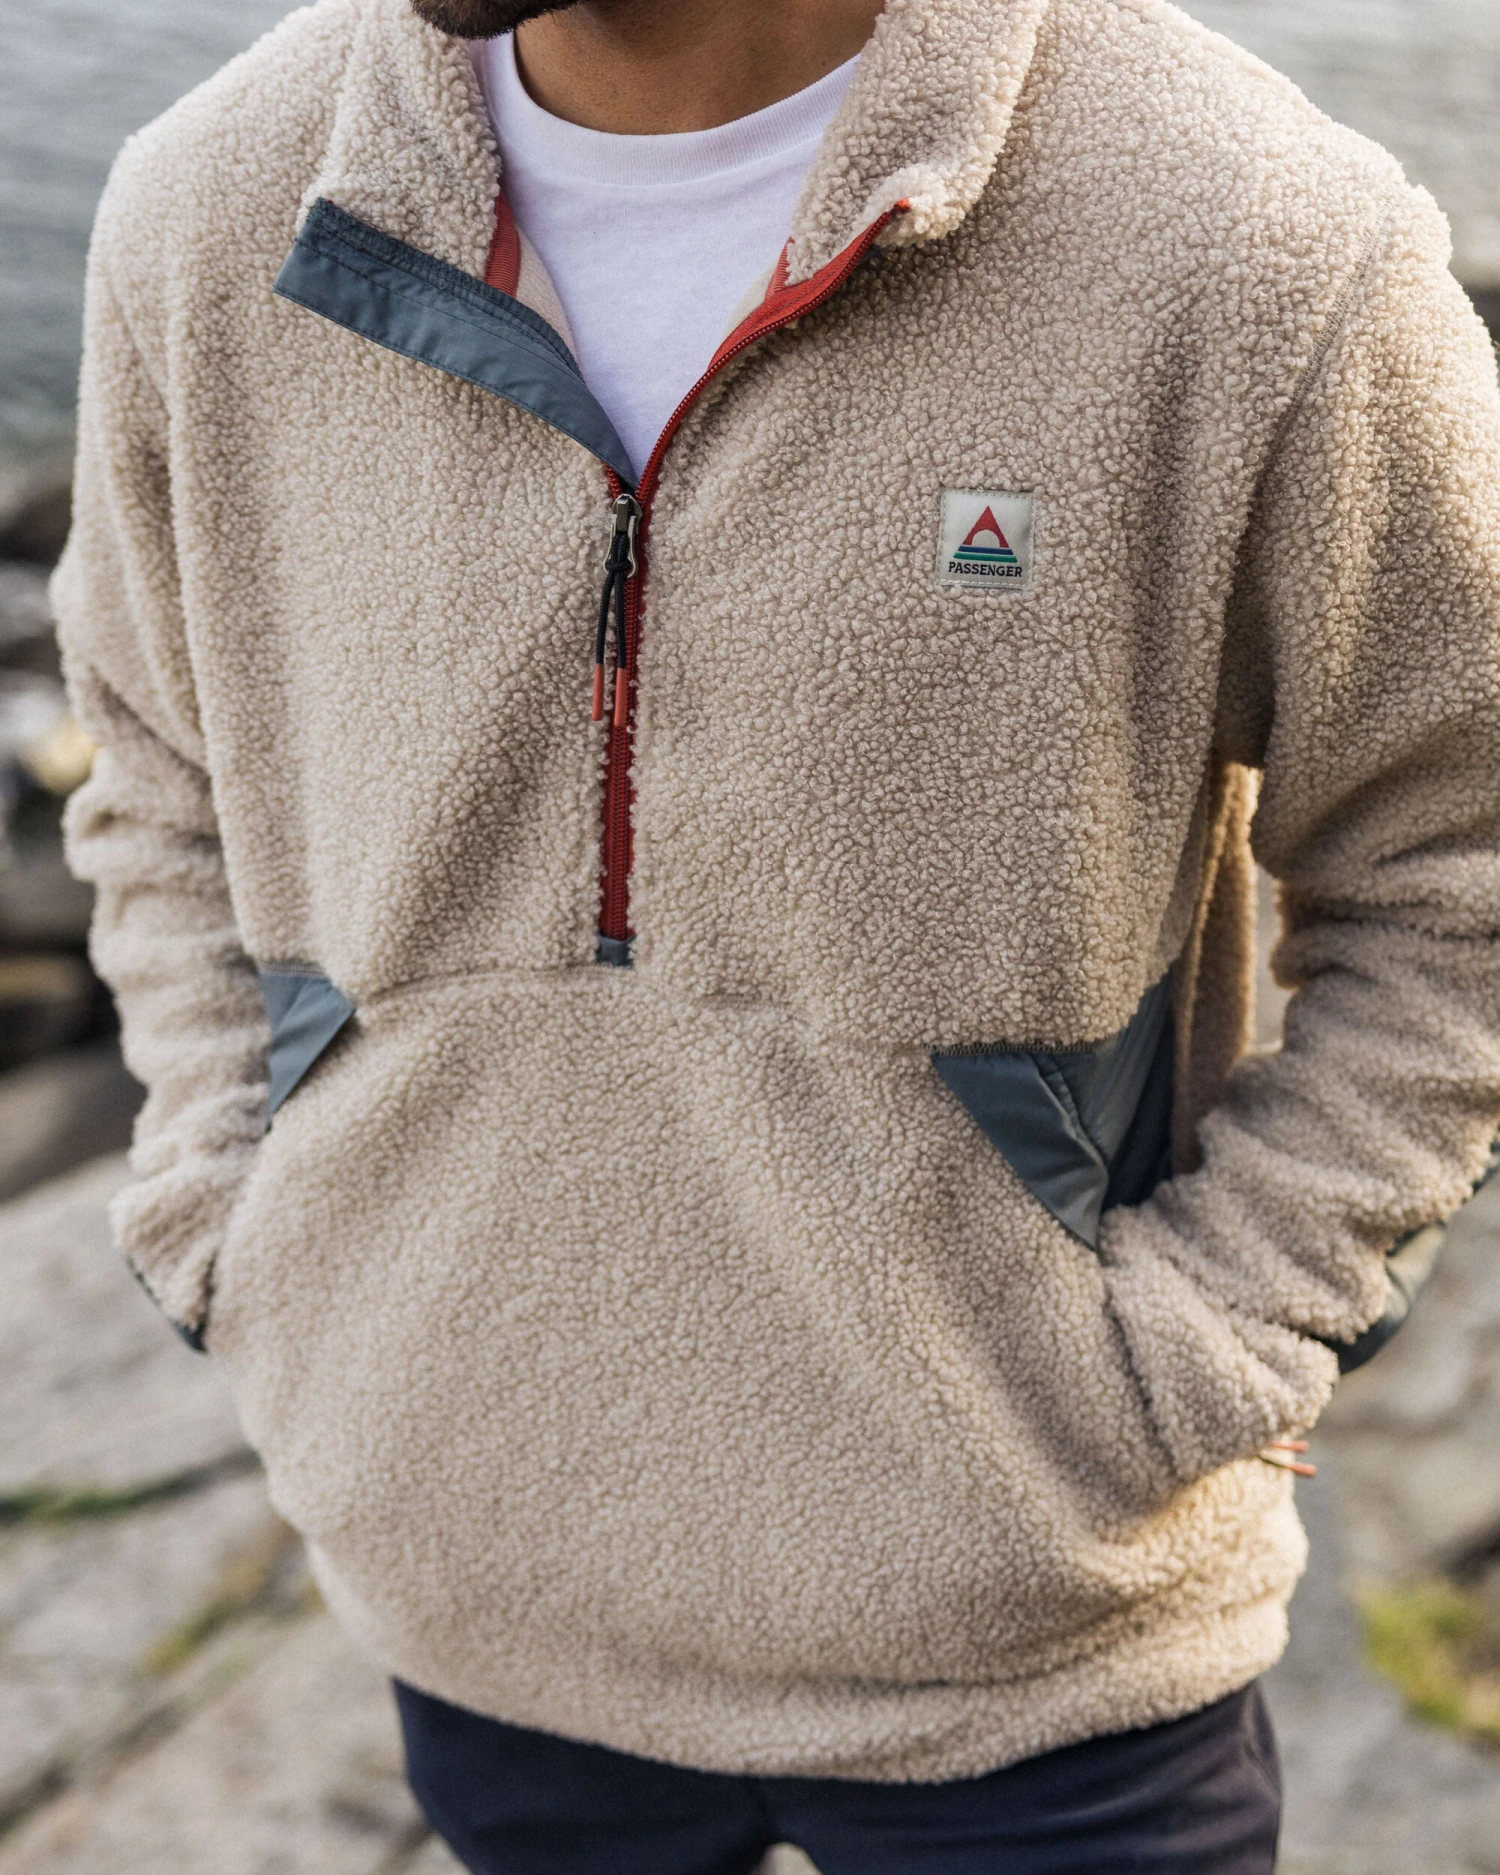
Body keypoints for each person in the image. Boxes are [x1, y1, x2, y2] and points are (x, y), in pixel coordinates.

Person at [55, 0, 1500, 1867]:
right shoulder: (209, 209)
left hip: (1052, 1664)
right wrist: (235, 1225)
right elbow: (156, 764)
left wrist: (1219, 1337)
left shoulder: (1256, 241)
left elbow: (1457, 868)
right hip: (474, 1598)